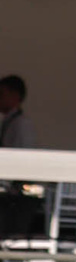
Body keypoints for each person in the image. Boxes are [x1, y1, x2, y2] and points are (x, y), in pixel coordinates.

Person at [0, 74, 38, 241]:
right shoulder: (8, 122)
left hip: (14, 195)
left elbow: (26, 158)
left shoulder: (22, 124)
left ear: (15, 96)